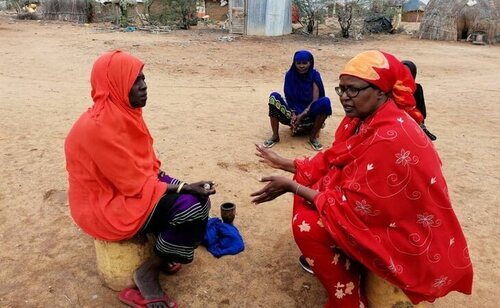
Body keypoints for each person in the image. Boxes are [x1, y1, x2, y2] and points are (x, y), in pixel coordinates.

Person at [251, 50, 473, 307]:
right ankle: (346, 265)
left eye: (353, 90)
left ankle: (346, 297)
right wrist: (289, 164)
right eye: (342, 89)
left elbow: (357, 205)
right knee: (315, 183)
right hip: (383, 211)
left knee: (308, 223)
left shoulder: (391, 136)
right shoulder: (370, 119)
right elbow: (337, 157)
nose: (345, 97)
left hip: (403, 232)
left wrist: (293, 186)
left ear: (381, 90)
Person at [64, 50, 216, 308]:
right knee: (192, 207)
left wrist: (181, 186)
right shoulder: (99, 127)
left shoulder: (122, 112)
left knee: (196, 200)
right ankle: (147, 274)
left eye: (143, 78)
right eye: (134, 81)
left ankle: (164, 249)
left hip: (126, 188)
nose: (144, 86)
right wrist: (182, 187)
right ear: (115, 84)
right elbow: (133, 183)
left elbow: (145, 169)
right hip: (105, 205)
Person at [263, 50, 332, 151]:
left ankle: (312, 137)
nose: (301, 66)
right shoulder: (290, 75)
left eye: (305, 63)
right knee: (274, 97)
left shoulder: (314, 75)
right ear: (294, 63)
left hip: (309, 115)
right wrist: (293, 114)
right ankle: (275, 136)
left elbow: (315, 100)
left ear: (310, 63)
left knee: (325, 102)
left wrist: (302, 115)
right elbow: (289, 97)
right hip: (292, 115)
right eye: (298, 63)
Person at [402, 60, 437, 141]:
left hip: (413, 121)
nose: (405, 74)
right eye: (402, 71)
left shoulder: (417, 88)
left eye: (408, 72)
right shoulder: (393, 88)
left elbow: (422, 110)